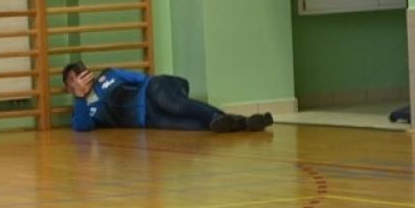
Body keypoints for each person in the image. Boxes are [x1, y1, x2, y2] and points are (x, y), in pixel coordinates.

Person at [62, 62, 273, 133]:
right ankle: (243, 123)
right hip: (149, 119)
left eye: (79, 74)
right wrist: (81, 98)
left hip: (154, 90)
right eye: (72, 80)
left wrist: (159, 91)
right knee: (190, 126)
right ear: (69, 88)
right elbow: (83, 128)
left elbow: (144, 79)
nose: (78, 80)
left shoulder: (109, 75)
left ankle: (222, 116)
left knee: (175, 106)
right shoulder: (83, 110)